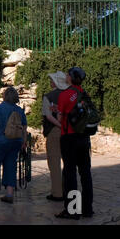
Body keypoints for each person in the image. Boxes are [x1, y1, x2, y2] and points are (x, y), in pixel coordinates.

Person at [55, 67, 94, 220]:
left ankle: (72, 210)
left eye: (67, 74)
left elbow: (59, 119)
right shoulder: (85, 94)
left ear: (70, 78)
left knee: (70, 174)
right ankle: (87, 209)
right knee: (85, 173)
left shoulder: (65, 95)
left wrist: (56, 111)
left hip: (69, 137)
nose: (65, 75)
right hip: (84, 138)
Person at [42, 71, 69, 202]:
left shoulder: (49, 96)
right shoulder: (71, 95)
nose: (50, 81)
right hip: (70, 132)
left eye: (52, 79)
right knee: (69, 163)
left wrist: (59, 125)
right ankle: (69, 190)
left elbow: (48, 116)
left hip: (54, 131)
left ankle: (57, 193)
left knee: (54, 162)